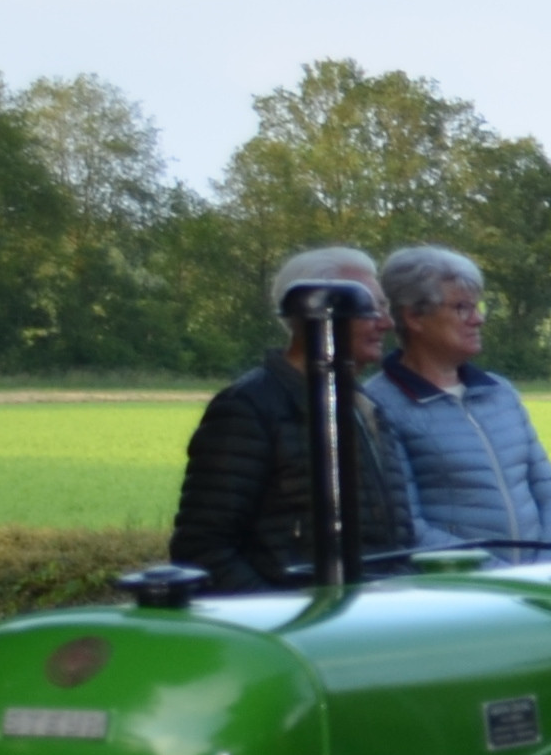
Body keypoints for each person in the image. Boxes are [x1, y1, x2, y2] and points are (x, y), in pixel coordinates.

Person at [172, 246, 422, 588]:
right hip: (300, 615)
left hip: (371, 611)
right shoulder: (249, 407)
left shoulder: (368, 408)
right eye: (367, 309)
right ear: (313, 314)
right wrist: (281, 613)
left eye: (384, 308)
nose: (387, 323)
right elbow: (203, 547)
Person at [365, 245, 551, 553]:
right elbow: (408, 526)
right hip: (459, 583)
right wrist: (495, 575)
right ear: (414, 317)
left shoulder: (500, 393)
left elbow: (550, 492)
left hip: (538, 578)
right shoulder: (380, 406)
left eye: (478, 306)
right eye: (462, 308)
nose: (478, 319)